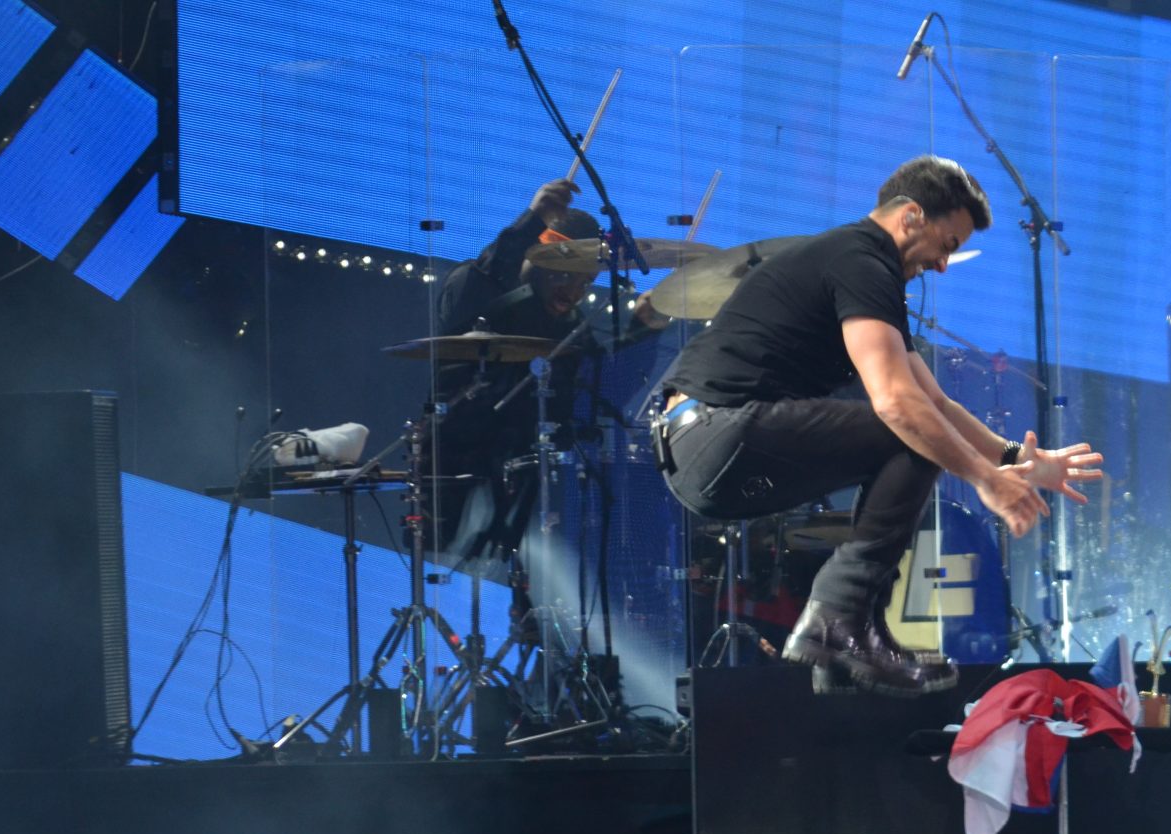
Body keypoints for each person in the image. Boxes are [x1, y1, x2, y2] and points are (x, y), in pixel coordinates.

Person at [653, 154, 1102, 695]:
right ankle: (837, 619)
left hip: (709, 446)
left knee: (919, 428)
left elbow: (932, 401)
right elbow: (896, 405)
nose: (942, 265)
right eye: (947, 244)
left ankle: (841, 651)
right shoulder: (862, 259)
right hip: (716, 433)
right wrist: (986, 480)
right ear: (911, 215)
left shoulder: (860, 265)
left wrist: (1017, 460)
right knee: (910, 437)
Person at [430, 179, 667, 565]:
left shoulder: (568, 325)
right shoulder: (477, 288)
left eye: (585, 282)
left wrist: (645, 329)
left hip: (524, 483)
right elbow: (482, 284)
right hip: (454, 467)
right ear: (537, 256)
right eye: (563, 274)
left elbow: (601, 392)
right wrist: (530, 221)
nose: (574, 291)